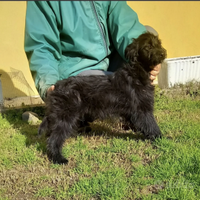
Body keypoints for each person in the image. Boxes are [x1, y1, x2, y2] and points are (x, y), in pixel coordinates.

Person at [24, 1, 161, 101]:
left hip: (110, 67)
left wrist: (147, 60)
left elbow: (127, 27)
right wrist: (49, 85)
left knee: (147, 35)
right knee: (95, 88)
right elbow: (42, 47)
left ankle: (132, 102)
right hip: (77, 72)